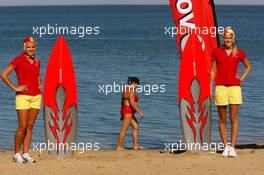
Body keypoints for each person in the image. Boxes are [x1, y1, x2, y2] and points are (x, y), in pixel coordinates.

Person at [210, 27, 252, 157]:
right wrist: (210, 87)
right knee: (222, 119)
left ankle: (233, 147)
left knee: (233, 118)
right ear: (223, 39)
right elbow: (212, 70)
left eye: (230, 38)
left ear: (233, 39)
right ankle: (226, 146)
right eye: (225, 38)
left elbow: (248, 66)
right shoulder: (217, 52)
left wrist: (242, 78)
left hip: (235, 88)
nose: (227, 40)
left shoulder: (238, 52)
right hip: (220, 88)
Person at [1, 36, 42, 163]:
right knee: (22, 126)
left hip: (36, 96)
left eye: (33, 47)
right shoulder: (18, 60)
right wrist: (15, 87)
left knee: (30, 126)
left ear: (35, 48)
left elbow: (37, 74)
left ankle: (26, 153)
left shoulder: (37, 61)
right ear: (24, 47)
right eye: (28, 47)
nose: (31, 49)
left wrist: (39, 84)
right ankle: (16, 154)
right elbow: (3, 74)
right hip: (23, 96)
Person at [117, 77, 144, 150]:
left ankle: (136, 146)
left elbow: (122, 102)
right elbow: (132, 103)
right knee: (124, 129)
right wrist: (140, 112)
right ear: (134, 83)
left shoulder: (125, 89)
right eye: (137, 85)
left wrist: (122, 113)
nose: (137, 87)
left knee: (135, 126)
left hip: (125, 110)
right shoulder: (131, 91)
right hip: (128, 112)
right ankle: (119, 146)